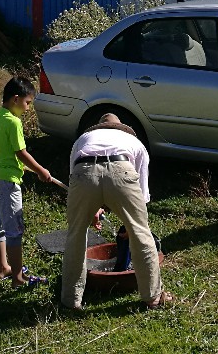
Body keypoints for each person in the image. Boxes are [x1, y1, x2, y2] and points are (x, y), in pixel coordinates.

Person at [59, 112, 173, 311]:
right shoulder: (133, 142)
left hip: (84, 171)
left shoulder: (82, 139)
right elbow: (142, 192)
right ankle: (152, 297)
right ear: (121, 128)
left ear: (98, 127)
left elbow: (75, 175)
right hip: (121, 167)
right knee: (141, 233)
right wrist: (130, 226)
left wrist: (92, 209)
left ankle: (71, 301)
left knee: (75, 234)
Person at [0, 75, 52, 287]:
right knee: (14, 231)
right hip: (7, 183)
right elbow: (21, 152)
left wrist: (6, 160)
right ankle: (17, 278)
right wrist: (41, 170)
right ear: (15, 99)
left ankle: (3, 267)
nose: (27, 108)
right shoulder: (13, 122)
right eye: (27, 103)